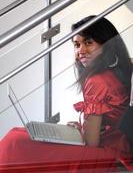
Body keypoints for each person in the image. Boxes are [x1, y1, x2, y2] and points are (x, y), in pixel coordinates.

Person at [0, 15, 132, 173]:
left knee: (15, 142)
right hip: (119, 146)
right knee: (19, 136)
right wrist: (81, 129)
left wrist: (80, 133)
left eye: (88, 43)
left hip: (109, 154)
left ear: (106, 44)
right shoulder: (118, 69)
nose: (80, 51)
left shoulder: (96, 80)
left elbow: (91, 142)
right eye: (76, 45)